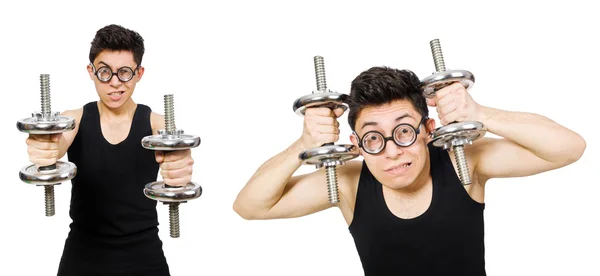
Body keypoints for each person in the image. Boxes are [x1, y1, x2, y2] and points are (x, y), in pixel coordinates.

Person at [232, 66, 586, 275]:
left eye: (404, 131)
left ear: (429, 130)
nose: (392, 152)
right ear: (355, 144)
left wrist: (481, 113)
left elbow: (568, 148)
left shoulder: (464, 164)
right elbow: (250, 206)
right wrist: (303, 145)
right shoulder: (348, 183)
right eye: (374, 138)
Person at [25, 24, 194, 276]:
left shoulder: (158, 124)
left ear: (139, 73)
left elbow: (178, 155)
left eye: (125, 72)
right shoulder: (74, 119)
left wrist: (181, 166)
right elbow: (55, 144)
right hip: (82, 254)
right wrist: (43, 148)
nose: (115, 83)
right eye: (105, 72)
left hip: (144, 255)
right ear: (91, 72)